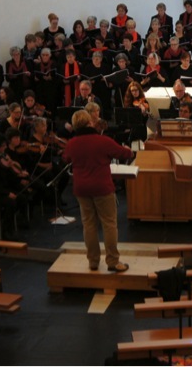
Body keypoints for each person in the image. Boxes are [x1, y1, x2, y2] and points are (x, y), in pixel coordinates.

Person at [62, 110, 133, 272]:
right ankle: (112, 261)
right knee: (109, 224)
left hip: (81, 188)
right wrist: (128, 149)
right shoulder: (102, 141)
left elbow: (66, 158)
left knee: (88, 225)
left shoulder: (72, 143)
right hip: (102, 187)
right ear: (90, 123)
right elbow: (124, 153)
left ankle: (93, 261)